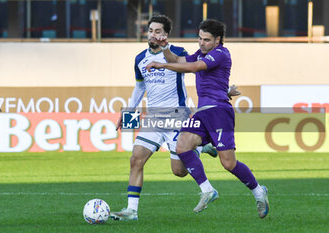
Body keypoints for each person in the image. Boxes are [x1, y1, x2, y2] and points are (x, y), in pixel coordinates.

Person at [110, 15, 239, 221]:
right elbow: (140, 87)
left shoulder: (177, 53)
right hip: (153, 118)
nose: (153, 34)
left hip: (177, 117)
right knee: (136, 159)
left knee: (179, 172)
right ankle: (131, 211)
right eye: (151, 30)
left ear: (166, 34)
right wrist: (127, 113)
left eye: (158, 31)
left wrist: (225, 93)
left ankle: (199, 147)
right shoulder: (139, 59)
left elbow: (201, 72)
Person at [145, 19, 269, 218]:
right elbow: (179, 60)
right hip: (203, 112)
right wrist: (164, 47)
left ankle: (258, 191)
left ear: (218, 40)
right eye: (200, 39)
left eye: (206, 40)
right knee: (182, 146)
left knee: (228, 163)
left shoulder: (221, 53)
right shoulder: (202, 53)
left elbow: (194, 67)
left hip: (219, 112)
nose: (201, 43)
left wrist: (162, 65)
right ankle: (207, 190)